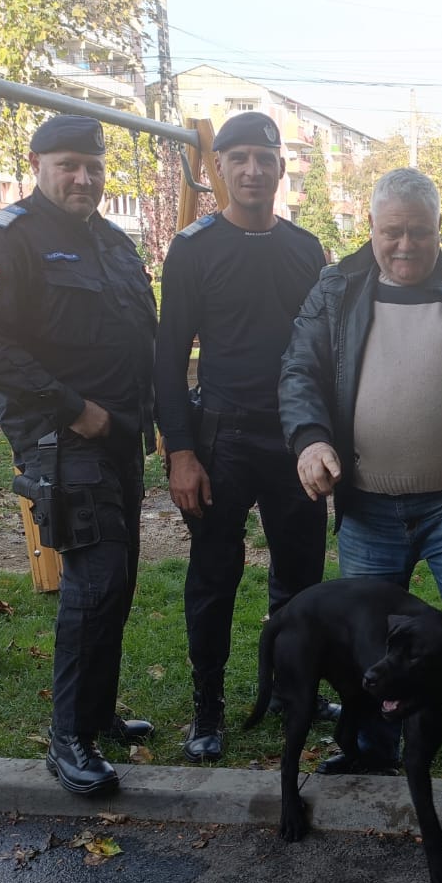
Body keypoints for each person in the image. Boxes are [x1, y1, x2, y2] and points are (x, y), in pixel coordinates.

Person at [278, 167, 442, 838]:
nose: (406, 245)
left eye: (420, 232)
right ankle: (370, 754)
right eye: (392, 232)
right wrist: (309, 440)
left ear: (439, 230)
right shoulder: (336, 290)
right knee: (368, 648)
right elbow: (299, 369)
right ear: (370, 228)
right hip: (369, 506)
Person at [0, 114, 158, 797]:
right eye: (69, 164)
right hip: (60, 437)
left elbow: (137, 333)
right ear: (36, 162)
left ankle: (96, 713)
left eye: (93, 166)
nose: (83, 177)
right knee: (93, 580)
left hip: (117, 433)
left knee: (119, 577)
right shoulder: (5, 238)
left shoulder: (111, 242)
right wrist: (74, 407)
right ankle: (67, 737)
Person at [155, 112, 331, 763]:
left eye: (265, 157)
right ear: (216, 169)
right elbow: (168, 356)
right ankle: (208, 707)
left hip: (293, 442)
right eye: (240, 158)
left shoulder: (305, 249)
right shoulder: (194, 249)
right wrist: (180, 452)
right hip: (221, 438)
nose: (253, 170)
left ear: (282, 168)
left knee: (301, 579)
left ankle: (292, 688)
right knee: (213, 577)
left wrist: (324, 437)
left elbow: (324, 352)